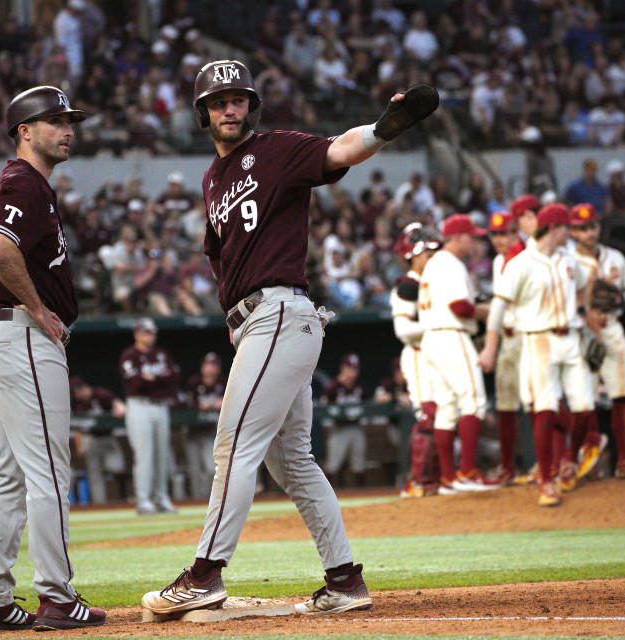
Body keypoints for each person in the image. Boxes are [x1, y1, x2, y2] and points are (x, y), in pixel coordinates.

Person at [142, 59, 438, 616]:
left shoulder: (277, 149)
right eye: (218, 101)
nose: (230, 108)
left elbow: (341, 149)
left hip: (280, 313)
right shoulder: (211, 179)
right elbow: (222, 258)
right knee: (292, 462)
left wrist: (384, 129)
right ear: (203, 113)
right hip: (261, 323)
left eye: (238, 99)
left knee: (233, 447)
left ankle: (205, 573)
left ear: (250, 106)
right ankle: (345, 580)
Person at [0, 86, 105, 633]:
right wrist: (38, 308)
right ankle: (56, 594)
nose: (67, 129)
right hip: (23, 337)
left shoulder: (34, 186)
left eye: (70, 121)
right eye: (54, 121)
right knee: (48, 472)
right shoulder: (22, 180)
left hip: (8, 339)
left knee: (10, 478)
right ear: (25, 130)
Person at [479, 204, 597, 507]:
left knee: (585, 408)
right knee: (544, 410)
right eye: (565, 228)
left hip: (569, 336)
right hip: (537, 339)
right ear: (553, 229)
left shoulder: (567, 259)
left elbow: (584, 286)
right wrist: (491, 347)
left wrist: (584, 313)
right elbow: (498, 308)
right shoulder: (521, 263)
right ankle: (546, 480)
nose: (569, 233)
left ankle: (570, 459)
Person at [418, 215, 494, 494]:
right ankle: (468, 472)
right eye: (471, 236)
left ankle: (449, 477)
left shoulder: (432, 264)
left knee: (447, 408)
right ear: (458, 237)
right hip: (451, 333)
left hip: (431, 338)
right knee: (473, 401)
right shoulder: (450, 263)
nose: (473, 241)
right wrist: (486, 312)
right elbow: (461, 307)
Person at [569, 203, 625, 478]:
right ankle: (587, 453)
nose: (588, 233)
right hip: (582, 332)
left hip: (611, 327)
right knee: (583, 399)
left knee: (621, 395)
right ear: (573, 231)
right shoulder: (568, 259)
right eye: (581, 228)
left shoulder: (615, 257)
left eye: (592, 227)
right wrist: (584, 309)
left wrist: (615, 297)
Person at [390, 223, 440, 498]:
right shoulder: (407, 285)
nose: (431, 259)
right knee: (427, 416)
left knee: (444, 415)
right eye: (426, 254)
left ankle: (438, 477)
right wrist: (440, 325)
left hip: (437, 354)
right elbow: (404, 330)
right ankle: (418, 480)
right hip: (419, 354)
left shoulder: (432, 281)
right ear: (413, 255)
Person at [119, 317, 179, 515]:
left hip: (160, 406)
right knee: (144, 454)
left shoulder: (161, 354)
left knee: (162, 454)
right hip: (139, 406)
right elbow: (135, 383)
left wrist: (153, 379)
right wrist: (157, 380)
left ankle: (161, 498)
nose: (149, 336)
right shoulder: (129, 355)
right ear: (137, 334)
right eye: (145, 332)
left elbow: (173, 377)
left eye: (152, 332)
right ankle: (143, 500)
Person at [486, 211, 524, 485]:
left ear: (516, 232)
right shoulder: (499, 260)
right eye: (496, 234)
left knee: (540, 402)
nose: (500, 239)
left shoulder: (526, 257)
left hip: (528, 335)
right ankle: (508, 466)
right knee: (505, 404)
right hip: (507, 337)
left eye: (505, 233)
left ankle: (562, 460)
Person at [70, 375, 126, 505]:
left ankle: (119, 500)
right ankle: (99, 504)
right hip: (90, 439)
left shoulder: (100, 394)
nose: (76, 394)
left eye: (78, 390)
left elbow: (118, 404)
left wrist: (119, 408)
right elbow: (77, 426)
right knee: (94, 475)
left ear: (84, 388)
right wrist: (80, 446)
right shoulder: (76, 403)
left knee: (116, 468)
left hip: (107, 438)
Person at [321, 353, 368, 487]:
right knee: (333, 464)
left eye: (355, 369)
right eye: (350, 368)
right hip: (338, 429)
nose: (352, 372)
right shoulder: (333, 387)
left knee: (359, 462)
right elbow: (324, 411)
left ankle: (362, 495)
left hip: (356, 427)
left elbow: (368, 408)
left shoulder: (359, 387)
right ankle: (327, 494)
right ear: (343, 368)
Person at [182, 352, 224, 500]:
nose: (209, 368)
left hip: (211, 431)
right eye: (207, 365)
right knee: (194, 469)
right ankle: (196, 500)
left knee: (210, 467)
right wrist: (198, 406)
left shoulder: (223, 383)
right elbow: (185, 404)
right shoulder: (194, 382)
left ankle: (208, 499)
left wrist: (221, 402)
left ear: (218, 369)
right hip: (192, 431)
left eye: (213, 365)